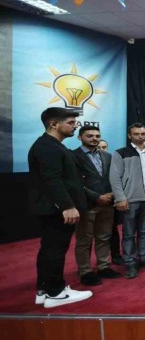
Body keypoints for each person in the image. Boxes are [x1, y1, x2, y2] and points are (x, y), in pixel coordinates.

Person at [28, 107, 93, 308]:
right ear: (53, 124)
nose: (75, 126)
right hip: (56, 209)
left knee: (49, 248)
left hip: (53, 208)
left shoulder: (52, 145)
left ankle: (44, 290)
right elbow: (52, 179)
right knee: (55, 249)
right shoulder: (47, 147)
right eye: (71, 123)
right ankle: (56, 292)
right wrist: (67, 206)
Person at [110, 123, 145, 278]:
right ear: (129, 136)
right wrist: (120, 198)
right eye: (136, 134)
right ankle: (130, 262)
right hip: (130, 198)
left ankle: (144, 257)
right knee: (128, 233)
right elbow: (115, 178)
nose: (140, 137)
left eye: (142, 133)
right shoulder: (121, 153)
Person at [72, 125, 120, 286]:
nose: (94, 138)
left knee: (104, 237)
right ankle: (85, 271)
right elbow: (75, 183)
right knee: (84, 240)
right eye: (90, 136)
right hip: (87, 204)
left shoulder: (107, 156)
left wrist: (111, 194)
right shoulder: (73, 156)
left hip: (107, 203)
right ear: (80, 137)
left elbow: (114, 177)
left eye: (97, 136)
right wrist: (97, 196)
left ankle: (103, 267)